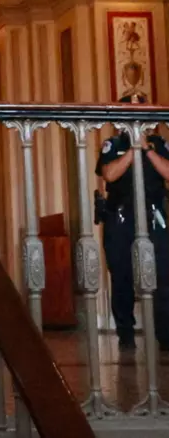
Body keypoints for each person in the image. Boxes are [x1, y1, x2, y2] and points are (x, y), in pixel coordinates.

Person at [94, 95, 169, 352]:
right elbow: (109, 174)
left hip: (153, 215)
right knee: (122, 274)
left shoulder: (159, 144)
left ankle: (165, 335)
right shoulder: (113, 144)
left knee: (163, 274)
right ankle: (125, 334)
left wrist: (146, 149)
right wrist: (133, 149)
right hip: (121, 217)